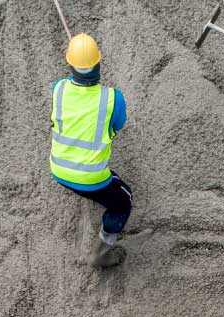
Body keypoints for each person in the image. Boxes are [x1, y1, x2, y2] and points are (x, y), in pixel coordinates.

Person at [50, 33, 132, 268]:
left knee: (90, 187)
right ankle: (100, 253)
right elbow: (118, 125)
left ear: (70, 65)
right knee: (123, 201)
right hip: (92, 177)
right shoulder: (113, 99)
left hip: (58, 170)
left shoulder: (58, 89)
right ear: (98, 63)